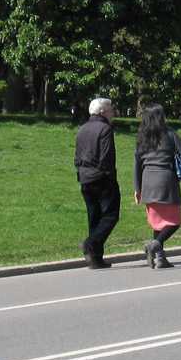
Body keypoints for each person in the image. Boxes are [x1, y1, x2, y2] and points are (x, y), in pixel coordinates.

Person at [133, 103, 181, 269]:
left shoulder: (141, 138)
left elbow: (136, 163)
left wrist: (137, 188)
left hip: (147, 182)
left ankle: (160, 259)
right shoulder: (170, 134)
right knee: (175, 221)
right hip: (165, 180)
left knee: (158, 223)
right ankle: (155, 245)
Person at [75, 97, 120, 269]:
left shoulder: (83, 128)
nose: (113, 112)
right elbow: (107, 157)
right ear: (102, 112)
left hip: (85, 177)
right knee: (110, 215)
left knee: (94, 218)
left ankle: (96, 258)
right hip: (101, 178)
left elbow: (77, 155)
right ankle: (90, 243)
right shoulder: (105, 129)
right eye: (110, 109)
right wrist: (110, 177)